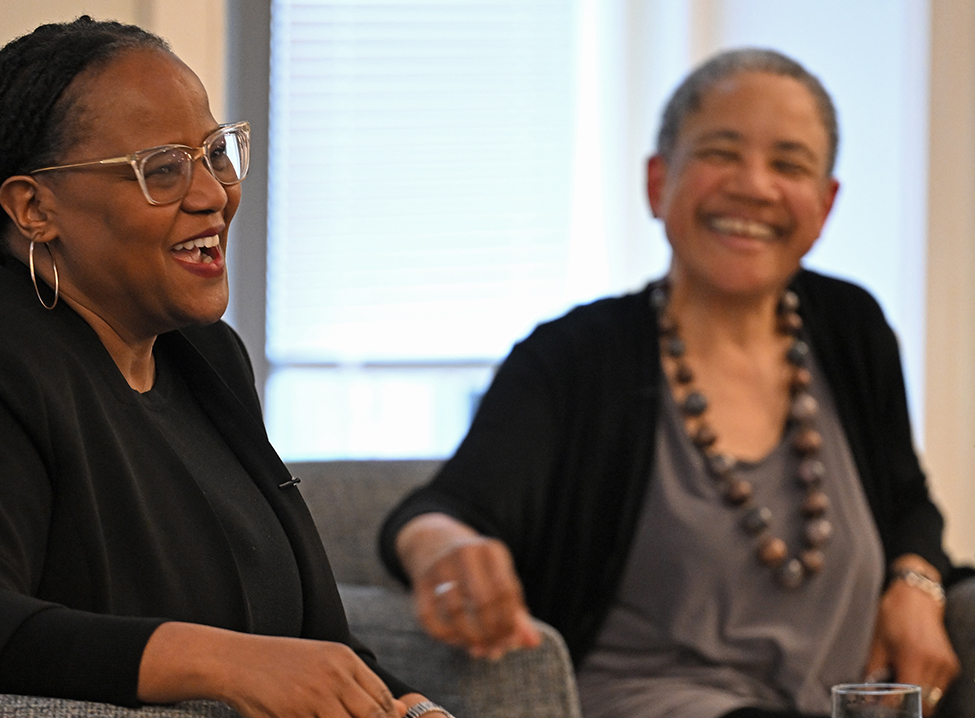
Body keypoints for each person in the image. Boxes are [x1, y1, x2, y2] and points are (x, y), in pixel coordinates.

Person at [0, 17, 451, 718]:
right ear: (33, 209)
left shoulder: (205, 358)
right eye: (164, 169)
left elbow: (309, 637)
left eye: (215, 152)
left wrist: (402, 705)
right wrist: (220, 661)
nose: (212, 194)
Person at [380, 48, 967, 718]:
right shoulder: (573, 357)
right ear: (657, 182)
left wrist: (915, 583)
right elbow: (440, 511)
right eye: (720, 152)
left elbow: (905, 500)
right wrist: (446, 550)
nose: (753, 185)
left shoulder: (849, 326)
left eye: (788, 164)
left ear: (824, 204)